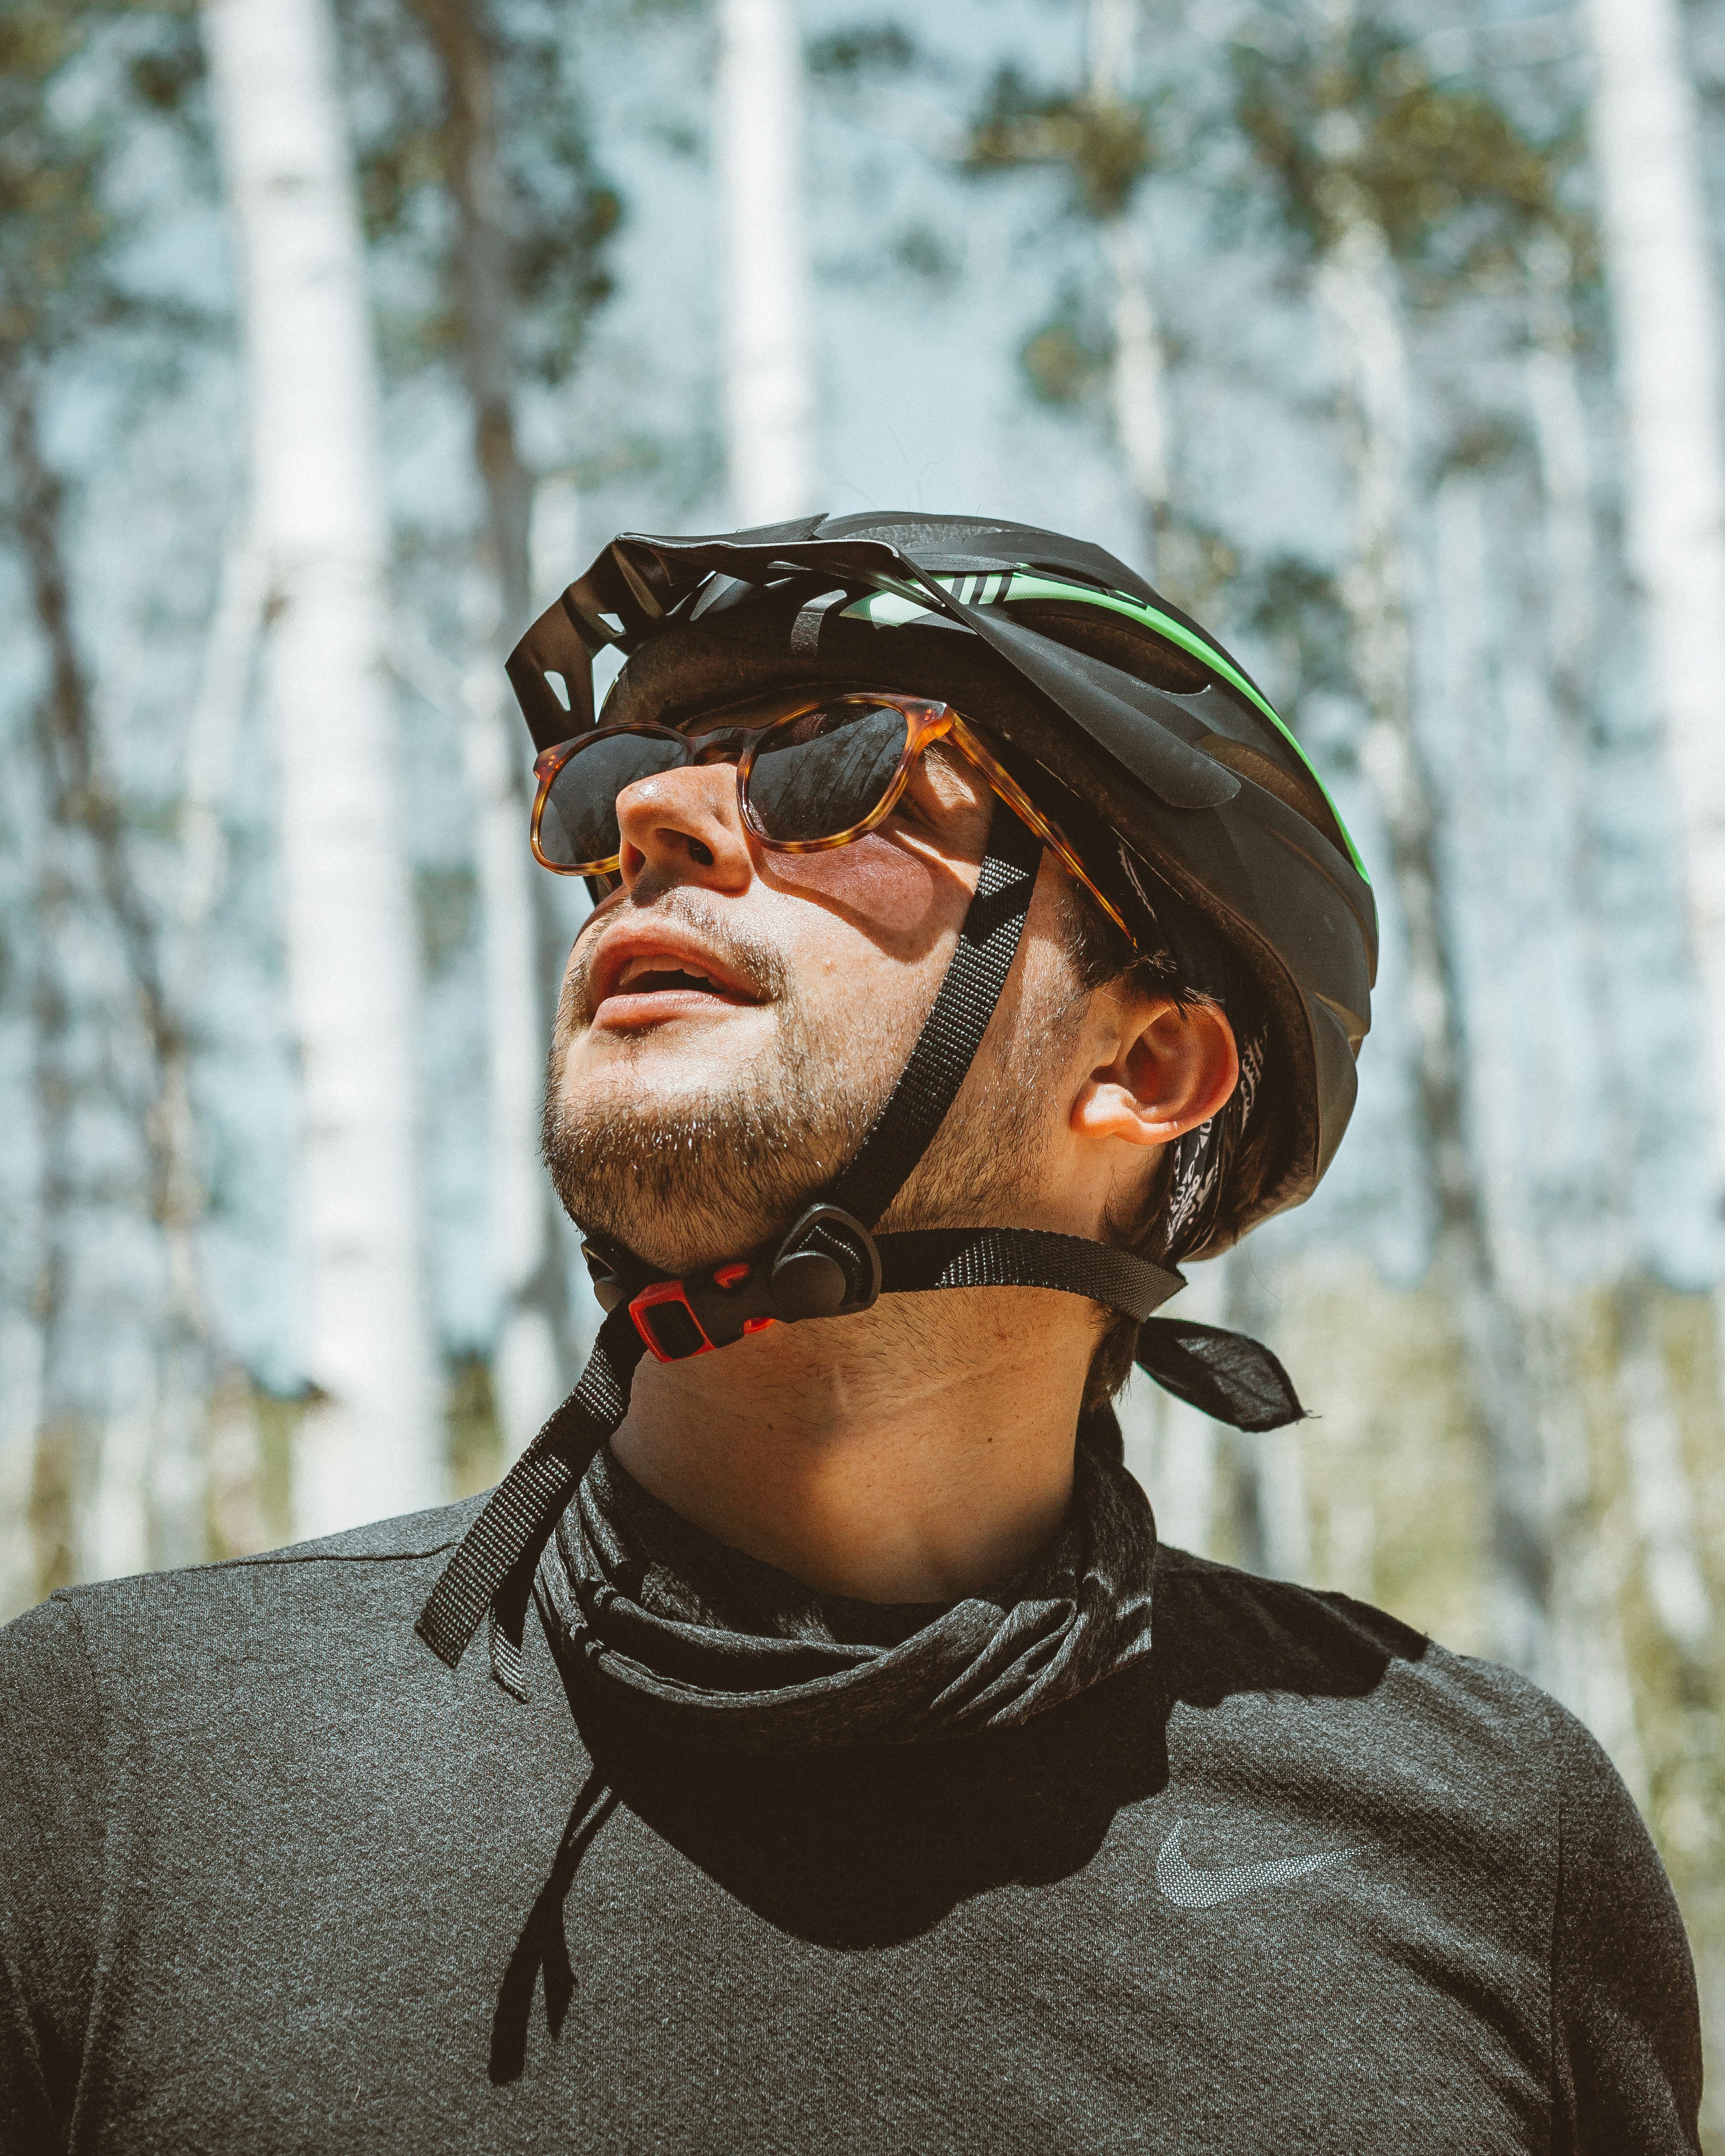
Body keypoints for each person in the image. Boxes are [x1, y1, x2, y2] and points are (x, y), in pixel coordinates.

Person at [0, 513, 1700, 2153]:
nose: (653, 820)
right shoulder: (124, 1771)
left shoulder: (1480, 1845)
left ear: (1149, 1070)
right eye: (612, 785)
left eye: (831, 766)